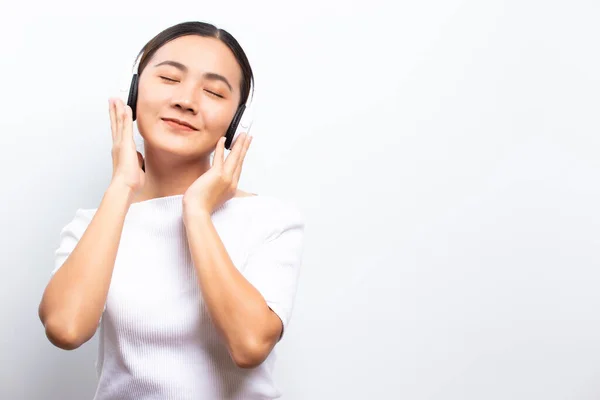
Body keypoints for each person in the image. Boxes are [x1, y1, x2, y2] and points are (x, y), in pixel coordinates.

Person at [38, 21, 305, 400]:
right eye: (169, 79)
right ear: (133, 92)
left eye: (213, 91)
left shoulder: (271, 222)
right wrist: (121, 187)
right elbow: (65, 328)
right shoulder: (95, 225)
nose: (187, 100)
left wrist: (195, 210)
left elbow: (249, 345)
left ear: (236, 121)